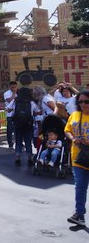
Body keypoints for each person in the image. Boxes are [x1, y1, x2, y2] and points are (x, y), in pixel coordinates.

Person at [64, 90, 89, 227]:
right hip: (78, 158)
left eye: (86, 101)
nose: (83, 104)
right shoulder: (74, 115)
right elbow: (67, 130)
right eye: (80, 101)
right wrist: (73, 138)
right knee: (80, 187)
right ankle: (79, 214)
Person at [12, 86, 35, 167]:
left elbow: (8, 109)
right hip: (28, 124)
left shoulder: (16, 101)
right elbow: (37, 111)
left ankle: (18, 156)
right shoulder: (31, 102)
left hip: (17, 124)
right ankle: (30, 157)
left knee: (18, 141)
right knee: (28, 141)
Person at [3, 81, 18, 149]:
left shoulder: (19, 93)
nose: (14, 88)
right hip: (9, 114)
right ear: (9, 87)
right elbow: (9, 100)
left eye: (15, 87)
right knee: (9, 130)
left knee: (17, 129)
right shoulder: (7, 93)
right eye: (12, 87)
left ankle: (18, 142)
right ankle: (10, 143)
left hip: (16, 113)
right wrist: (14, 93)